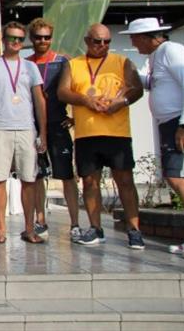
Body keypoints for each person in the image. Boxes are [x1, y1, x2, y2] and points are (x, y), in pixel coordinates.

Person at [57, 23, 145, 249]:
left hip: (117, 132)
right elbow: (63, 91)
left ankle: (134, 230)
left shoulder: (122, 62)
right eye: (98, 41)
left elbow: (136, 88)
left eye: (107, 41)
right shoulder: (73, 64)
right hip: (87, 133)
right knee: (89, 182)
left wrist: (120, 102)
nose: (103, 45)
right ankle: (95, 228)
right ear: (87, 41)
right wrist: (86, 100)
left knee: (125, 181)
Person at [121, 17, 184, 256]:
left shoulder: (171, 50)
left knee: (178, 178)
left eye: (134, 38)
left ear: (147, 37)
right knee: (175, 177)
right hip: (168, 123)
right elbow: (152, 83)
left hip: (177, 123)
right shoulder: (155, 57)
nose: (132, 43)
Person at [0, 22, 48, 244]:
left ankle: (29, 228)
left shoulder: (30, 67)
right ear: (4, 39)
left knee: (29, 180)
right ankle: (1, 228)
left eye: (20, 39)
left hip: (27, 129)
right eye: (11, 38)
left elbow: (40, 101)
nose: (16, 42)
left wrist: (43, 133)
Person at [26, 18, 82, 242]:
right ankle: (41, 221)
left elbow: (79, 89)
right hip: (34, 126)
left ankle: (75, 223)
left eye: (46, 37)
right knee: (37, 175)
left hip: (58, 125)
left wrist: (75, 117)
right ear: (32, 39)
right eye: (38, 37)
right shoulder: (26, 63)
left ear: (52, 38)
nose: (43, 41)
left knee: (67, 176)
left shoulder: (63, 61)